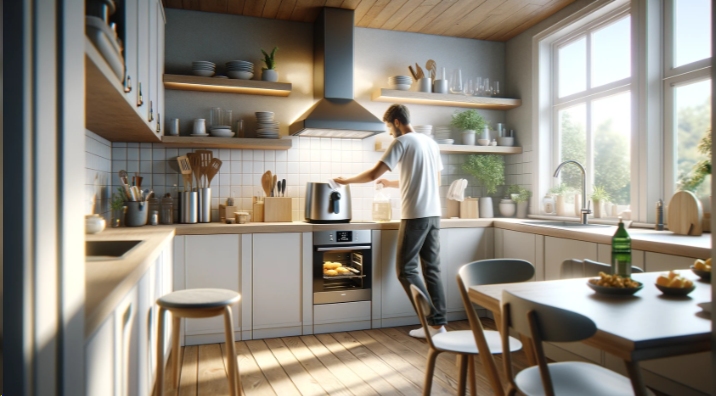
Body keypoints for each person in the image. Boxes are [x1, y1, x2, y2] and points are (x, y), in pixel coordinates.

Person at [334, 104, 446, 338]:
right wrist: (391, 184)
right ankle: (438, 326)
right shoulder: (430, 143)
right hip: (434, 214)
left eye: (388, 127)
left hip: (415, 215)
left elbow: (374, 173)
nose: (389, 133)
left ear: (396, 122)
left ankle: (431, 322)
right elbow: (433, 182)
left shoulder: (402, 142)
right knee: (432, 269)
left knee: (406, 269)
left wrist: (346, 181)